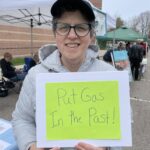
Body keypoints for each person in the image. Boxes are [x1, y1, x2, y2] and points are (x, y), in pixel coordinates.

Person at [12, 0, 122, 150]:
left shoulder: (110, 76)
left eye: (81, 27)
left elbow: (121, 127)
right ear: (55, 33)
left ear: (91, 35)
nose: (71, 35)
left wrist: (107, 148)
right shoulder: (34, 75)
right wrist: (31, 146)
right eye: (63, 27)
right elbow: (22, 119)